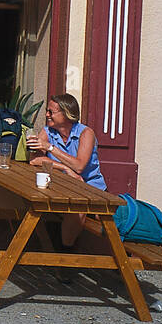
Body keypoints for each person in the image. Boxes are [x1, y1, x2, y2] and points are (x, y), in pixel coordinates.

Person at [26, 93, 104, 247]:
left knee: (79, 208)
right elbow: (34, 160)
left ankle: (65, 252)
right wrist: (65, 169)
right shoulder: (47, 131)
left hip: (89, 187)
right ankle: (60, 253)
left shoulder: (85, 133)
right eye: (47, 111)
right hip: (62, 186)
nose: (47, 115)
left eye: (51, 112)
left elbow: (80, 167)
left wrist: (50, 148)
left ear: (67, 114)